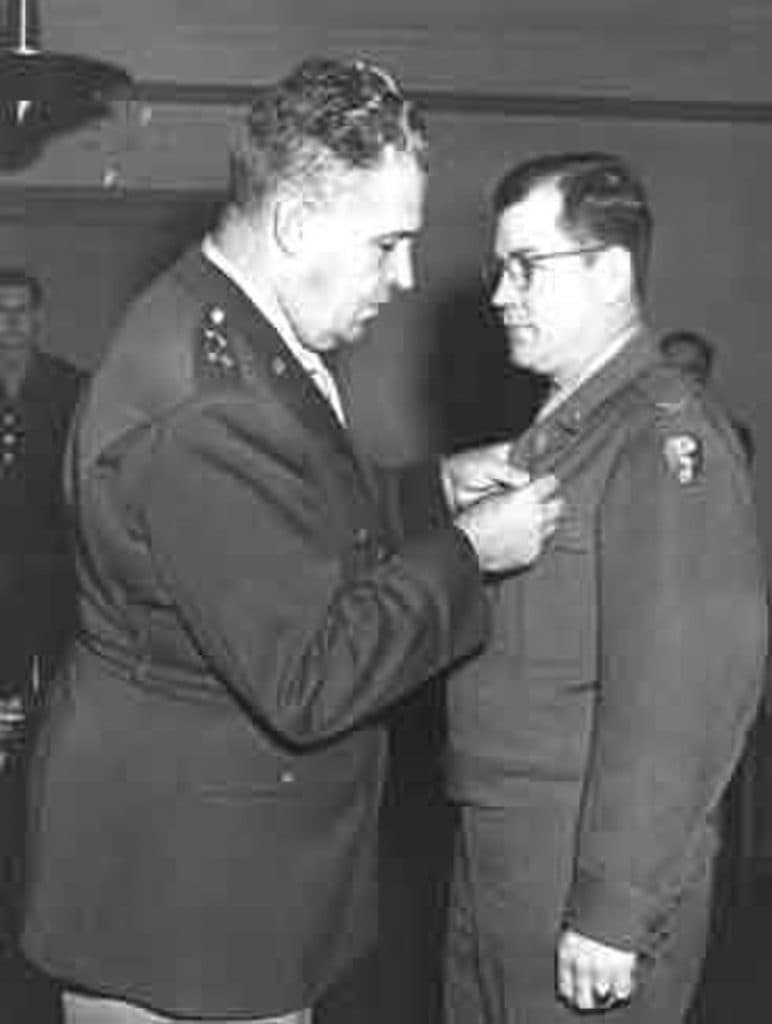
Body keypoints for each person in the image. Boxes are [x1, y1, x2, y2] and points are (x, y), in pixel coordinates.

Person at [21, 58, 561, 1024]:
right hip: (185, 895)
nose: (403, 279)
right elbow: (310, 672)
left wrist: (432, 492)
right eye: (388, 244)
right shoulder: (211, 402)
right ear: (298, 224)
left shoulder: (235, 320)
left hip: (216, 861)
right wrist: (470, 552)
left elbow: (290, 521)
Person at [442, 152, 768, 1022]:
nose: (501, 295)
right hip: (506, 845)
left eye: (527, 267)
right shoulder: (564, 432)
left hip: (576, 855)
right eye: (498, 268)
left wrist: (613, 906)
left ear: (611, 270)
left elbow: (683, 695)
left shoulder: (662, 439)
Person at [0, 268, 84, 1019]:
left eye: (20, 312)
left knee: (49, 714)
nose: (8, 327)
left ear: (40, 315)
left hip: (53, 581)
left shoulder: (72, 388)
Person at [660, 328, 755, 461]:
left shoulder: (733, 437)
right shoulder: (632, 434)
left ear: (707, 375)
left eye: (691, 369)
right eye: (671, 368)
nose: (680, 377)